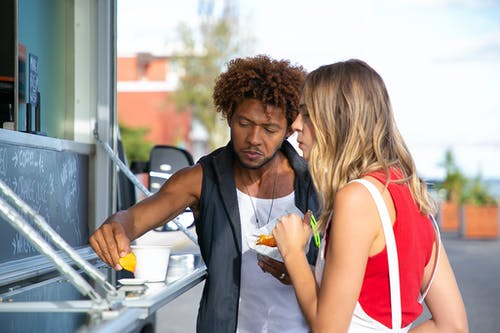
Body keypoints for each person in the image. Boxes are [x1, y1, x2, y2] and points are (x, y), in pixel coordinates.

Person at [89, 55, 319, 333]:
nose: (254, 138)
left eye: (270, 129)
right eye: (244, 123)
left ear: (288, 131)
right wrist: (116, 227)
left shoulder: (316, 182)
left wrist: (300, 272)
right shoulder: (200, 179)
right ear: (229, 114)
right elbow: (135, 219)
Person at [272, 59, 468, 332]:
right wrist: (300, 274)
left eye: (306, 113)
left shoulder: (356, 200)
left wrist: (293, 253)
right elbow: (453, 326)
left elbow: (328, 329)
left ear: (338, 120)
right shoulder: (409, 190)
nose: (294, 125)